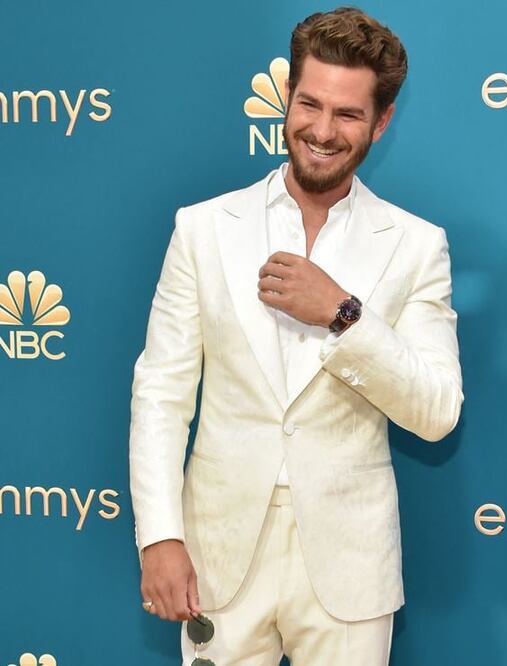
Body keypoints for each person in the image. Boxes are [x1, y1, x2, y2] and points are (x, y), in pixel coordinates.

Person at [128, 7, 463, 664]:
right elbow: (162, 394)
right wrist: (160, 537)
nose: (321, 130)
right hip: (219, 558)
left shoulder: (417, 246)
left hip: (350, 566)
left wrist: (343, 314)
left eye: (347, 115)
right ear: (287, 97)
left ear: (382, 121)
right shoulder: (202, 228)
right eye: (309, 104)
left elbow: (437, 413)